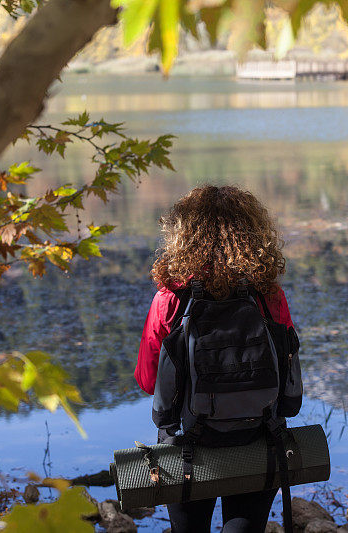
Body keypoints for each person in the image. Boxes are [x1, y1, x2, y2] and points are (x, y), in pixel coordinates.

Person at [134, 184, 300, 533]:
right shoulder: (269, 294)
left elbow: (149, 381)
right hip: (259, 437)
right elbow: (286, 372)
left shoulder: (171, 298)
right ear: (253, 233)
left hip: (188, 444)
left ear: (184, 237)